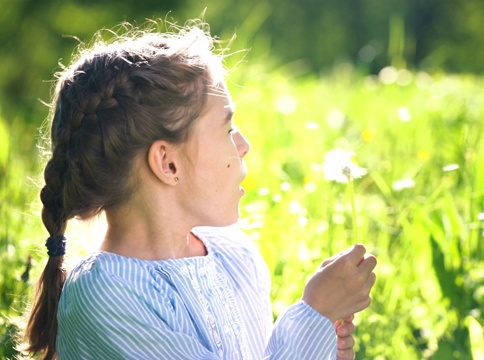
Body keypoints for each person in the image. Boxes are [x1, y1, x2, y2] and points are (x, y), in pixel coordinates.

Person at [25, 19, 377, 360]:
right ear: (168, 164)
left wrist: (322, 344)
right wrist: (313, 314)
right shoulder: (104, 294)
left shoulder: (232, 252)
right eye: (227, 129)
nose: (244, 144)